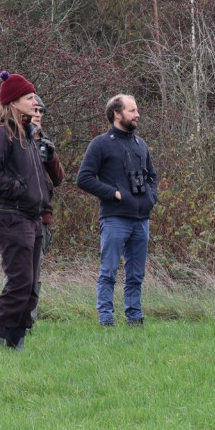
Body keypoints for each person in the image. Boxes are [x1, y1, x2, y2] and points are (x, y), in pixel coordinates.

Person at [0, 71, 50, 349]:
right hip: (10, 216)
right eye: (30, 97)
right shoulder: (0, 133)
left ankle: (16, 339)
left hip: (32, 218)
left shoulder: (29, 136)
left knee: (31, 286)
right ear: (14, 101)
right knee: (19, 281)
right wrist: (21, 190)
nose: (35, 102)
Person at [77, 94, 158, 328]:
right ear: (117, 113)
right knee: (109, 271)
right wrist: (114, 193)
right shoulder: (100, 143)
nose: (137, 114)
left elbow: (153, 177)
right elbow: (83, 178)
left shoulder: (140, 144)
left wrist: (152, 196)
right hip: (114, 219)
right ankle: (106, 320)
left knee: (136, 275)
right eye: (132, 110)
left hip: (142, 219)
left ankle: (134, 318)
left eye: (136, 110)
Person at [28, 95, 65, 323]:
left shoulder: (45, 139)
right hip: (20, 214)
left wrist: (51, 156)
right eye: (35, 110)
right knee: (17, 272)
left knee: (36, 271)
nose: (39, 115)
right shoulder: (15, 138)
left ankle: (29, 320)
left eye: (41, 111)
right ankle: (10, 319)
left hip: (43, 215)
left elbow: (59, 178)